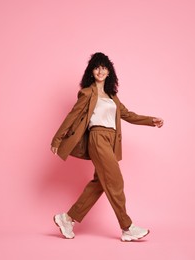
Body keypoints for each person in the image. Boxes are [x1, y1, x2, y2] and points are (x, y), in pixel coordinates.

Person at [50, 52, 164, 241]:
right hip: (98, 137)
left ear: (109, 71)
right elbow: (72, 115)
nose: (100, 70)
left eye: (104, 67)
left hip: (111, 141)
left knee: (100, 183)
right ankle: (127, 227)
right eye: (97, 67)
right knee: (116, 181)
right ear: (91, 71)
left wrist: (150, 120)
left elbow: (127, 114)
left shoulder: (112, 96)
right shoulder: (87, 93)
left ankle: (67, 218)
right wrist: (57, 139)